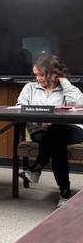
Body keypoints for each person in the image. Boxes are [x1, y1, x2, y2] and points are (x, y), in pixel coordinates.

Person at [17, 54, 83, 207]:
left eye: (41, 74)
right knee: (56, 143)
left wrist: (65, 83)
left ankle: (37, 167)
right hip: (40, 131)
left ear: (53, 74)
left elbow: (79, 106)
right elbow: (20, 108)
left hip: (72, 131)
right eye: (36, 74)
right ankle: (64, 192)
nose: (37, 78)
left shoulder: (68, 89)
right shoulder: (30, 88)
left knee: (56, 129)